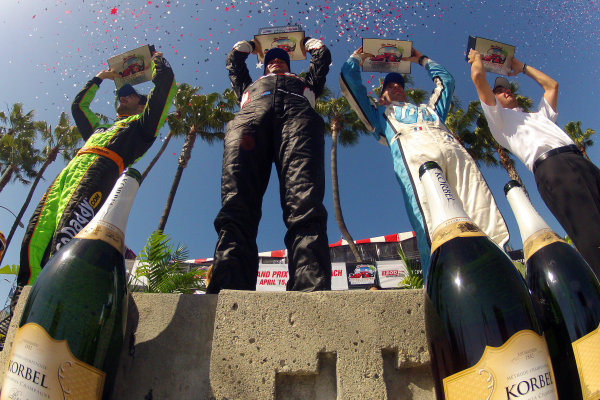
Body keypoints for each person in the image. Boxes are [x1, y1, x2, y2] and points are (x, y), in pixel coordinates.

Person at [340, 46, 510, 275]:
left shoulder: (431, 110)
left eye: (399, 83)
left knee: (480, 208)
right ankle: (442, 281)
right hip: (415, 155)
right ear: (381, 97)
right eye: (389, 85)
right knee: (431, 220)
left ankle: (502, 269)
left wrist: (422, 59)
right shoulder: (379, 115)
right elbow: (350, 82)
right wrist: (356, 59)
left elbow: (446, 82)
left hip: (452, 150)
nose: (396, 86)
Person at [18, 51, 176, 288]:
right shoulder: (99, 129)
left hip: (99, 174)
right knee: (33, 241)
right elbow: (78, 106)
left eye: (130, 95)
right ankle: (21, 303)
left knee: (65, 241)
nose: (123, 97)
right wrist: (99, 78)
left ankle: (58, 306)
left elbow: (165, 85)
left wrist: (155, 60)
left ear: (143, 105)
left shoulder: (143, 126)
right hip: (66, 176)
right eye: (122, 94)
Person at [207, 37, 332, 294]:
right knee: (236, 203)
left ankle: (310, 292)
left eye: (282, 59)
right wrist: (252, 46)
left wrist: (307, 42)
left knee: (304, 202)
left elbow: (322, 58)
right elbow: (234, 61)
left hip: (299, 118)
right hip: (249, 120)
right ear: (264, 67)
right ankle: (229, 288)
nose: (276, 60)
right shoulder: (247, 85)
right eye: (271, 59)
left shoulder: (307, 83)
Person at [469, 48, 600, 277]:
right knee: (593, 235)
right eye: (498, 91)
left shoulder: (539, 116)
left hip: (580, 161)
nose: (505, 91)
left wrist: (522, 68)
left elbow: (552, 86)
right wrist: (477, 59)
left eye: (506, 88)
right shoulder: (499, 120)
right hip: (553, 168)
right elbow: (479, 78)